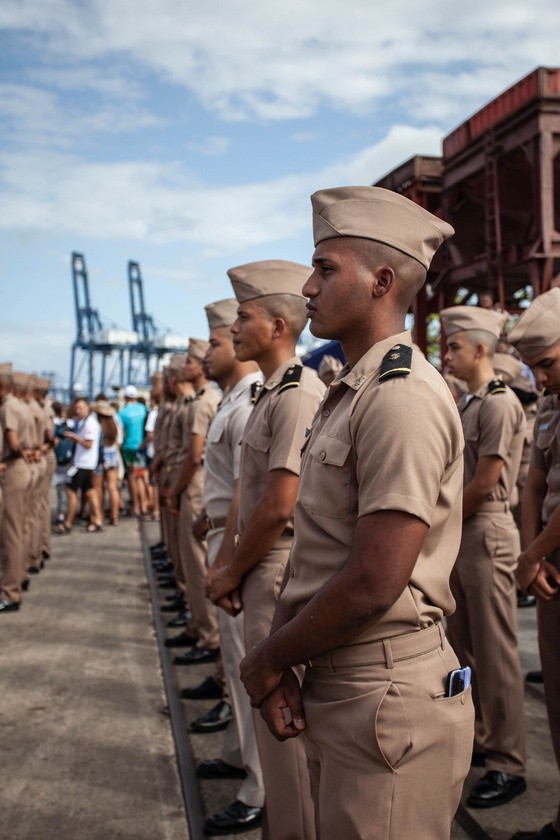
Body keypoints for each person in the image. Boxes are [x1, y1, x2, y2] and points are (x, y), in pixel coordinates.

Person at [237, 187, 474, 840]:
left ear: (382, 281)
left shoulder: (400, 397)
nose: (308, 287)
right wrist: (282, 657)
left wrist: (265, 658)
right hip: (343, 677)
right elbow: (316, 550)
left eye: (325, 268)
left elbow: (375, 580)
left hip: (384, 688)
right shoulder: (349, 393)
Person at [206, 259, 325, 840]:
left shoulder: (299, 394)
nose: (234, 327)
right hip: (253, 567)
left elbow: (279, 505)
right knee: (269, 726)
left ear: (279, 327)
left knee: (285, 741)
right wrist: (226, 567)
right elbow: (245, 496)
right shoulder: (271, 394)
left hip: (275, 571)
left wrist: (232, 568)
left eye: (244, 316)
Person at [441, 305, 527, 808]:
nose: (446, 353)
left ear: (480, 349)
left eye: (454, 346)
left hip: (486, 533)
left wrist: (438, 522)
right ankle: (480, 739)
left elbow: (486, 482)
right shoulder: (472, 403)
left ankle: (508, 762)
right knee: (465, 650)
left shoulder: (497, 404)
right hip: (464, 533)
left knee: (496, 657)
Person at [192, 298, 264, 836]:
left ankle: (259, 787)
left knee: (247, 669)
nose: (209, 352)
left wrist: (227, 562)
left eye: (215, 342)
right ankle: (240, 753)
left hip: (236, 547)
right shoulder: (233, 401)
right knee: (238, 669)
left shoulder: (247, 405)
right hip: (222, 536)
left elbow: (250, 492)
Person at [508, 287, 560, 840]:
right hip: (548, 564)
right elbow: (536, 482)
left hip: (546, 556)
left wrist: (531, 554)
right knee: (557, 699)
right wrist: (533, 554)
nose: (540, 379)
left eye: (547, 363)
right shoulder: (549, 401)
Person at [0, 370, 34, 612]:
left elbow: (12, 443)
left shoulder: (8, 407)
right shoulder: (20, 405)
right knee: (19, 528)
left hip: (12, 470)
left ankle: (10, 592)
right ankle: (18, 578)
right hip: (23, 467)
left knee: (10, 533)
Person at [56, 397, 103, 533]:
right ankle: (98, 519)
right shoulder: (83, 422)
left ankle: (68, 522)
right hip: (85, 462)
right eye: (76, 408)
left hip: (84, 463)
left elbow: (89, 444)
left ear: (88, 408)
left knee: (71, 492)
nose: (78, 411)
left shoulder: (90, 424)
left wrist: (75, 437)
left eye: (81, 408)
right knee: (90, 491)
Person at [118, 385, 149, 517]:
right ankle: (144, 505)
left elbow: (120, 433)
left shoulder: (122, 413)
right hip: (141, 448)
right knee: (140, 477)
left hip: (128, 448)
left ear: (125, 397)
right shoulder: (144, 409)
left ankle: (135, 506)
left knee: (131, 477)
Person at [92, 400, 121, 526]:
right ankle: (114, 516)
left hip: (99, 457)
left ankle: (100, 515)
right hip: (112, 456)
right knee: (113, 487)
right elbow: (119, 441)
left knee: (98, 488)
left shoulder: (97, 425)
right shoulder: (114, 424)